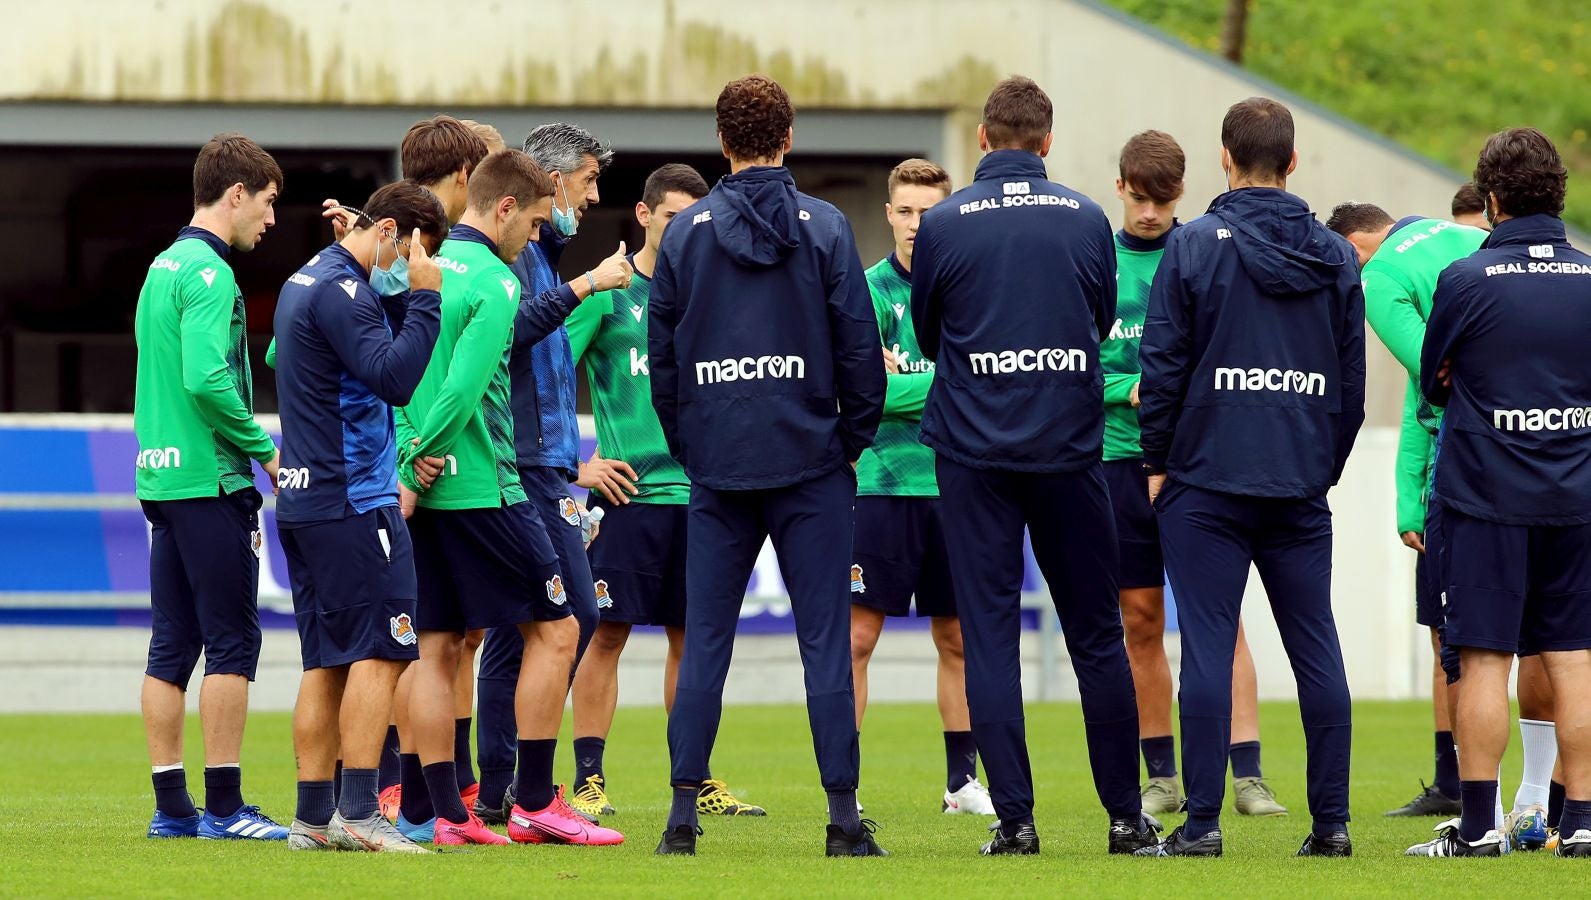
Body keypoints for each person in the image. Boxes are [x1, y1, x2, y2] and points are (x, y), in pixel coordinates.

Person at [909, 76, 1156, 857]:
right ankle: (1125, 818)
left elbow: (927, 335)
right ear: (1046, 142)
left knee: (987, 636)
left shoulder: (942, 223)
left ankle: (1014, 823)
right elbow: (1096, 319)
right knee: (1096, 633)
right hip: (1067, 447)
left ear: (982, 139)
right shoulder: (1085, 217)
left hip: (972, 452)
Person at [649, 74, 886, 857]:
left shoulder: (685, 233)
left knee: (705, 640)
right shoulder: (826, 226)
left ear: (722, 142)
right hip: (811, 463)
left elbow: (662, 361)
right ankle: (842, 820)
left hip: (720, 465)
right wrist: (846, 441)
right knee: (824, 641)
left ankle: (681, 820)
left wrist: (694, 446)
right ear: (788, 138)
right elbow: (859, 350)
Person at [1135, 97, 1364, 859]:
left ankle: (1201, 825)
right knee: (1316, 648)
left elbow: (1162, 367)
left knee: (1206, 649)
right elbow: (1350, 386)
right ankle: (1330, 825)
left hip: (1205, 481)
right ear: (1291, 162)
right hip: (1296, 483)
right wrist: (1319, 469)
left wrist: (1156, 463)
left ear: (1224, 158)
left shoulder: (1192, 244)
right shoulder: (1334, 254)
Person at [396, 149, 622, 847]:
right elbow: (463, 390)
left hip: (428, 491)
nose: (535, 235)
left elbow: (394, 378)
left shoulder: (424, 267)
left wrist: (407, 458)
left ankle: (438, 814)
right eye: (534, 221)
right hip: (486, 488)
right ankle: (532, 801)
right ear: (504, 209)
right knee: (557, 630)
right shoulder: (495, 281)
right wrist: (420, 463)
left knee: (436, 648)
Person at [1403, 128, 1591, 859]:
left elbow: (1432, 379)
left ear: (1489, 200)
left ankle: (1479, 828)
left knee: (1483, 660)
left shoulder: (1465, 280)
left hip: (1485, 497)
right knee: (1575, 659)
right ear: (1558, 194)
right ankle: (1581, 823)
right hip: (1576, 495)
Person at [563, 164, 766, 820]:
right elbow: (541, 377)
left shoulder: (715, 295)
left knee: (694, 640)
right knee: (606, 636)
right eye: (673, 218)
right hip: (628, 498)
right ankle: (588, 780)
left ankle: (695, 776)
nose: (685, 232)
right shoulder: (608, 291)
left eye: (695, 220)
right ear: (645, 216)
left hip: (705, 497)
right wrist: (573, 463)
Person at [1323, 202, 1526, 830]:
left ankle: (1472, 801)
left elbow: (1431, 374)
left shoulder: (1378, 274)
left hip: (1469, 470)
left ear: (1355, 246)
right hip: (1551, 446)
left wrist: (1410, 499)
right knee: (1558, 643)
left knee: (1459, 641)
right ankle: (1554, 801)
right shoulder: (1466, 235)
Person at [1107, 130, 1285, 819]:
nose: (1151, 212)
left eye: (1163, 199)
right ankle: (1161, 775)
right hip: (1119, 461)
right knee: (1140, 618)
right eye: (1139, 198)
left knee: (1221, 621)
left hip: (1198, 464)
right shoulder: (1096, 261)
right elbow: (1068, 360)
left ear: (1183, 191)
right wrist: (1124, 387)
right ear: (1119, 187)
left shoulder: (1206, 250)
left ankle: (1248, 775)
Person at [273, 182, 449, 852]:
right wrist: (426, 298)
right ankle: (358, 813)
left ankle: (312, 821)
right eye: (415, 254)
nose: (415, 267)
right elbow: (394, 378)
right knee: (380, 652)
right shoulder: (344, 291)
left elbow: (364, 345)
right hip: (354, 501)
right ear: (391, 233)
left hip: (307, 499)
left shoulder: (309, 279)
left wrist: (392, 282)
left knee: (327, 663)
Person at [472, 123, 633, 824]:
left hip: (546, 463)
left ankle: (500, 785)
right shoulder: (508, 256)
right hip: (521, 464)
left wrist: (572, 462)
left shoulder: (540, 250)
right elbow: (507, 336)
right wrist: (587, 285)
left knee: (531, 625)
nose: (593, 197)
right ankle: (510, 785)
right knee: (558, 619)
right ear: (554, 180)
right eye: (588, 181)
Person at [135, 133, 287, 842]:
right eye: (268, 202)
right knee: (232, 644)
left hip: (161, 476)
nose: (272, 219)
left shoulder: (161, 266)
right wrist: (265, 451)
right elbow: (204, 377)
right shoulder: (211, 272)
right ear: (236, 194)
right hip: (209, 479)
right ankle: (224, 809)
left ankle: (173, 810)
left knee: (170, 648)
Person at [847, 157, 992, 817]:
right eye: (904, 211)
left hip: (956, 484)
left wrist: (901, 384)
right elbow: (862, 398)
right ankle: (844, 786)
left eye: (927, 213)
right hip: (878, 485)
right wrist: (944, 383)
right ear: (888, 215)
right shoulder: (864, 292)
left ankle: (961, 784)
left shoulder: (969, 289)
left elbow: (983, 380)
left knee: (958, 639)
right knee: (857, 639)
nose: (914, 224)